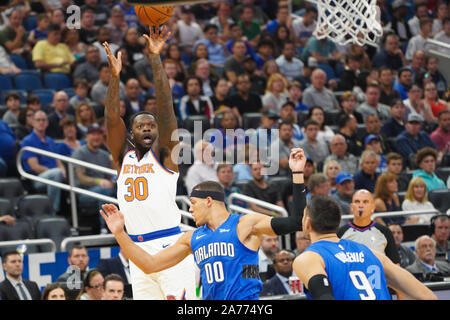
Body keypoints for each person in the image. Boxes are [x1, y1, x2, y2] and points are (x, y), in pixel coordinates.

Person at [100, 148, 308, 300]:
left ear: (208, 201)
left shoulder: (245, 224)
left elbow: (295, 222)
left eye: (193, 203)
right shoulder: (192, 238)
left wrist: (297, 174)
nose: (190, 210)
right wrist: (120, 233)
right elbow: (149, 265)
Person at [102, 27, 197, 300]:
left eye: (151, 125)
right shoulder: (122, 157)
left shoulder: (167, 156)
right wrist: (115, 77)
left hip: (170, 246)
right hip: (137, 252)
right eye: (140, 125)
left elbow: (167, 110)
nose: (146, 128)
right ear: (132, 133)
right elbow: (111, 119)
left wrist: (155, 59)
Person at [292, 194, 436, 300]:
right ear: (337, 223)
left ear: (307, 223)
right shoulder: (373, 253)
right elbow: (427, 296)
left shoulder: (308, 258)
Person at [338, 190, 400, 266]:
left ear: (373, 207)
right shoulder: (341, 233)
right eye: (357, 202)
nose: (361, 205)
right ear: (352, 207)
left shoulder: (384, 232)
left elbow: (395, 265)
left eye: (365, 202)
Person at [20, 110, 65, 213]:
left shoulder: (50, 140)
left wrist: (63, 170)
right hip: (36, 179)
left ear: (47, 123)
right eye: (38, 120)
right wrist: (56, 171)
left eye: (44, 120)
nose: (41, 122)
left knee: (63, 174)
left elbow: (58, 159)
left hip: (53, 175)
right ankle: (52, 211)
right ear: (33, 122)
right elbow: (35, 167)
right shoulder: (28, 141)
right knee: (56, 174)